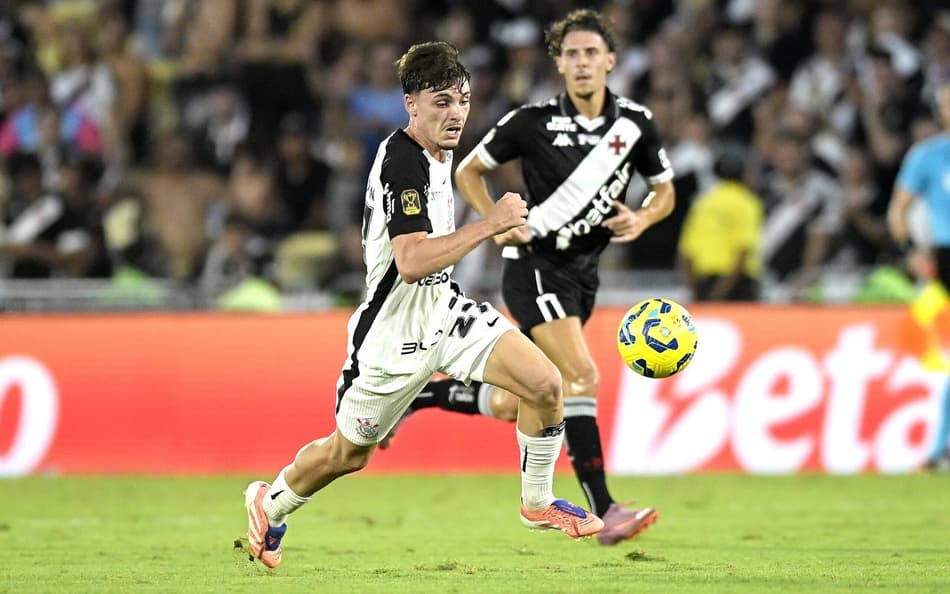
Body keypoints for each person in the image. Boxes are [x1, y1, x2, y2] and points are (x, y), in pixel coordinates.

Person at [243, 41, 603, 569]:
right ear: (410, 104)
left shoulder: (440, 149)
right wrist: (490, 224)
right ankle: (269, 503)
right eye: (441, 102)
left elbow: (451, 211)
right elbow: (410, 260)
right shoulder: (402, 162)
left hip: (445, 309)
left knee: (545, 384)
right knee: (349, 455)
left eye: (461, 100)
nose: (455, 113)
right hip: (392, 333)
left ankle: (537, 503)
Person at [380, 10, 675, 546]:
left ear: (611, 60)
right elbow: (470, 170)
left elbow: (665, 190)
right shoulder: (531, 121)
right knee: (582, 376)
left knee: (527, 399)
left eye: (592, 53)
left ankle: (424, 395)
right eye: (572, 54)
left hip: (583, 276)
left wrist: (644, 216)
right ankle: (604, 509)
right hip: (533, 266)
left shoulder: (635, 123)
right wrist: (496, 224)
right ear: (558, 63)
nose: (582, 63)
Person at [886, 81, 950, 472]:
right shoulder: (928, 156)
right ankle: (938, 448)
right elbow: (897, 212)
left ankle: (938, 449)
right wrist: (911, 251)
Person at [677, 142, 763, 302]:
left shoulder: (703, 203)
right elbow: (743, 251)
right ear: (744, 172)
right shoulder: (747, 202)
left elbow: (686, 254)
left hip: (703, 283)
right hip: (738, 285)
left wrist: (695, 292)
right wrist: (720, 294)